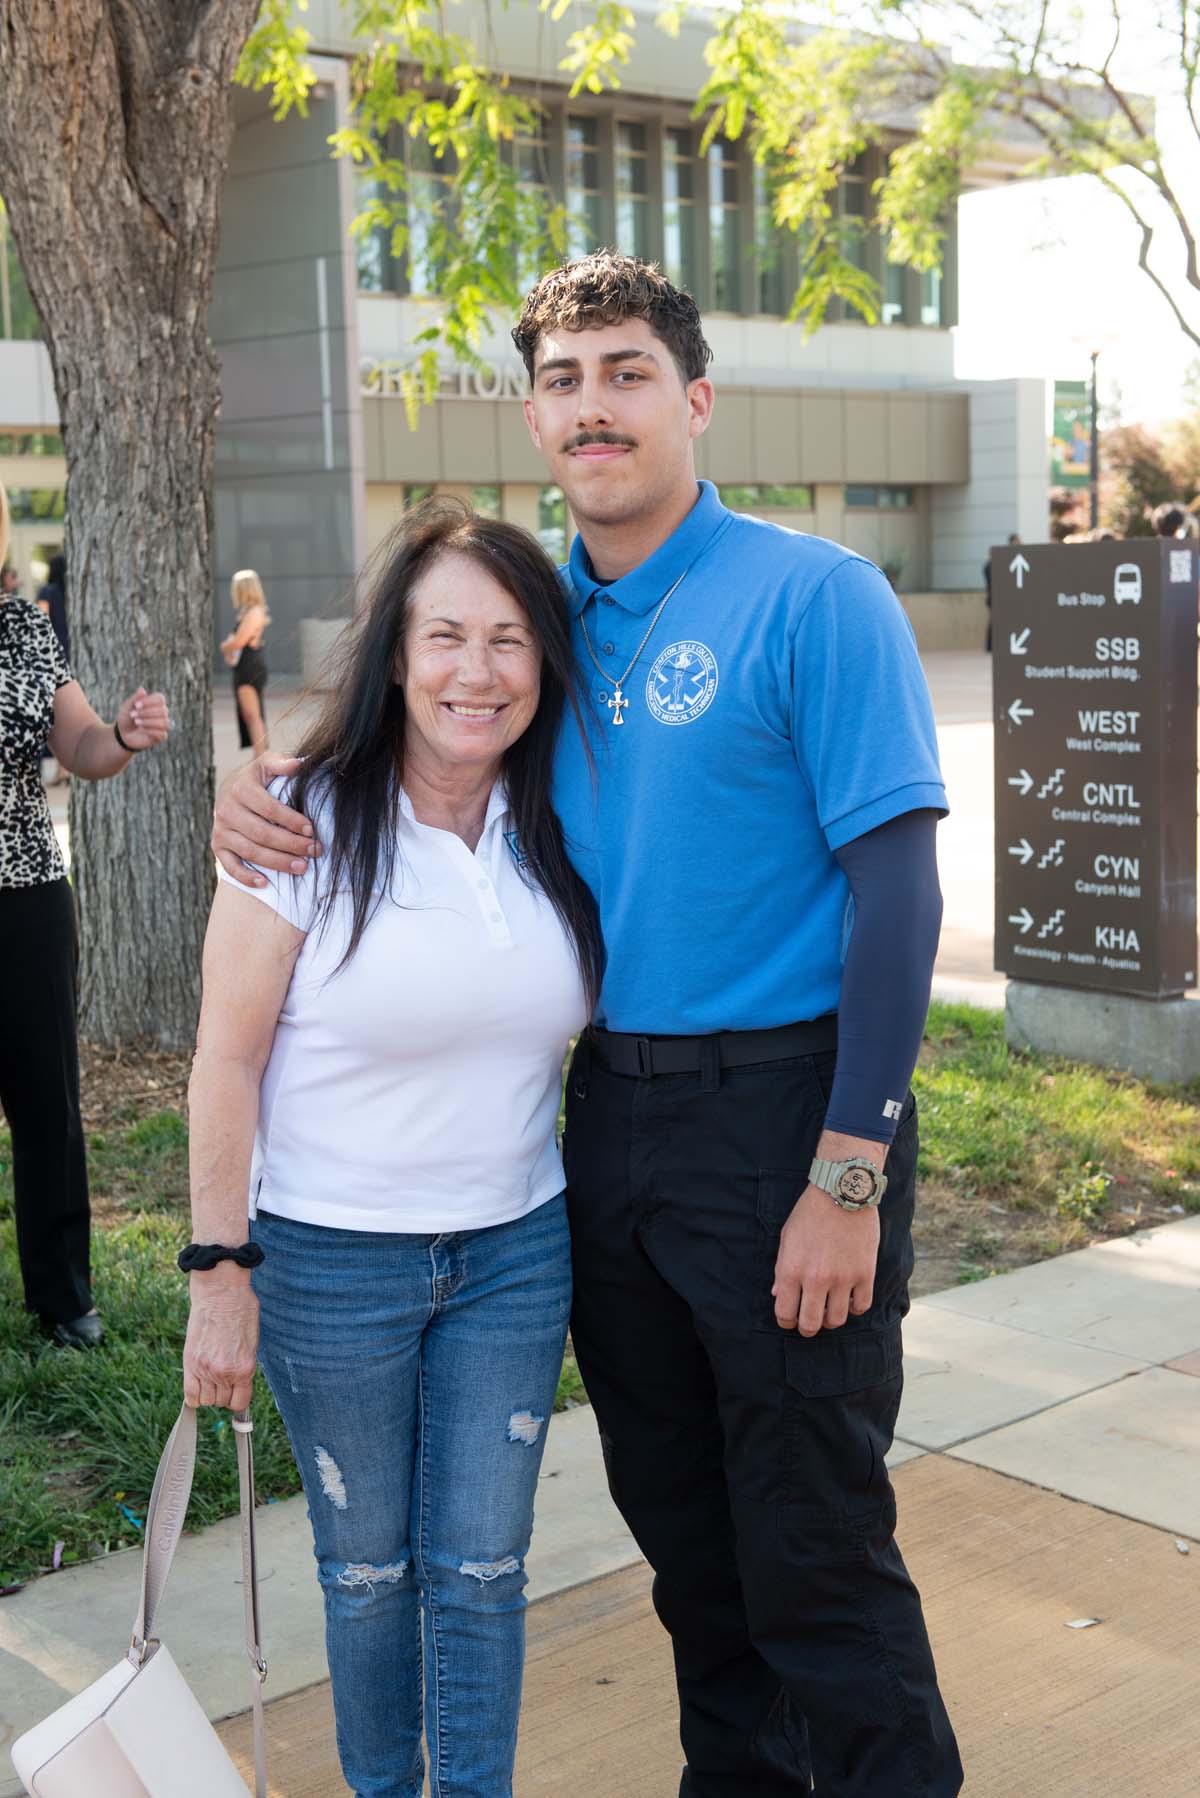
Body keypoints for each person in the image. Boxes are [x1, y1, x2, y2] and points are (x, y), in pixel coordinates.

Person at [213, 254, 963, 1796]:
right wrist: (250, 783)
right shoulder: (546, 622)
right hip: (607, 1131)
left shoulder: (815, 595)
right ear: (537, 422)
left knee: (813, 1545)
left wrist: (849, 1168)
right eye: (562, 382)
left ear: (695, 398)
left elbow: (898, 894)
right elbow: (416, 720)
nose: (593, 407)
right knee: (687, 1540)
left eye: (625, 373)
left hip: (787, 1115)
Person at [185, 502, 602, 1798]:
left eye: (510, 640)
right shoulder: (298, 820)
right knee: (368, 1576)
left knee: (481, 1571)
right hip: (329, 1264)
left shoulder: (567, 820)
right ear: (395, 652)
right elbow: (226, 1061)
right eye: (445, 636)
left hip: (515, 1255)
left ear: (545, 664)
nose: (476, 671)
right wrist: (219, 1270)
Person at [0, 482, 170, 1348]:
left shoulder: (24, 628)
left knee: (47, 1103)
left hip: (25, 898)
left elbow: (81, 748)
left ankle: (63, 1297)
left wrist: (126, 736)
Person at [220, 568, 270, 753]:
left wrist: (224, 647)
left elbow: (240, 641)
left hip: (249, 666)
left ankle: (260, 758)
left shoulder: (254, 612)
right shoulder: (250, 611)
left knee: (252, 715)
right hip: (246, 665)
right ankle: (260, 756)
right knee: (251, 715)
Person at [983, 530, 1020, 652]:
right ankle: (989, 646)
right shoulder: (989, 565)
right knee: (993, 621)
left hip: (996, 596)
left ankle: (992, 645)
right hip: (993, 597)